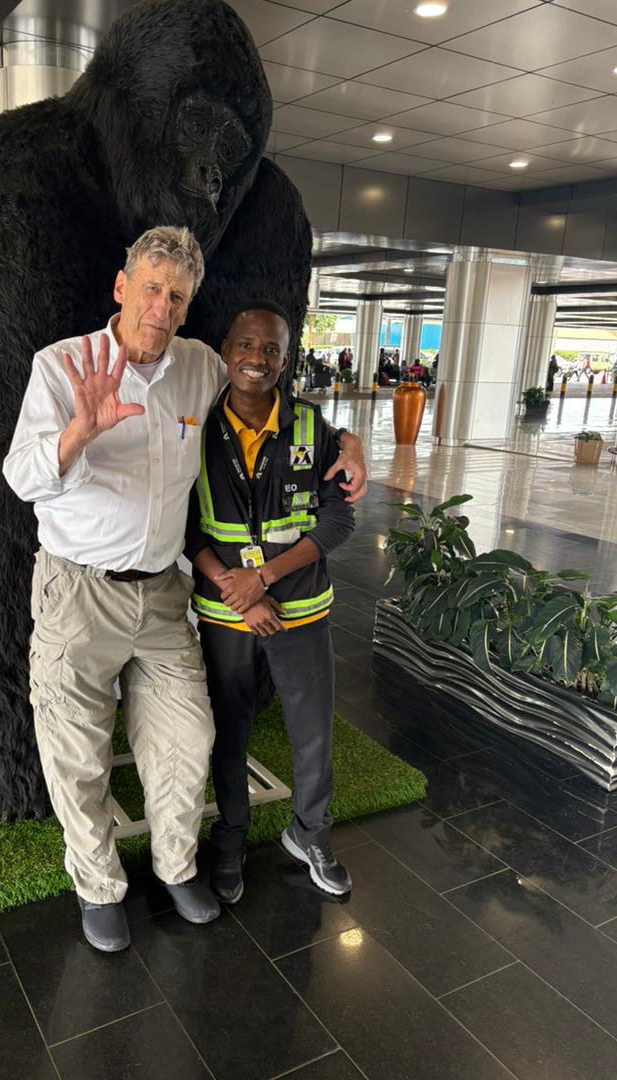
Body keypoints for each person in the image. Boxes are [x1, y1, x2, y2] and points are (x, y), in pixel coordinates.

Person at [3, 226, 368, 954]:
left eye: (176, 296)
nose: (161, 307)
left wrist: (350, 442)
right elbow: (20, 477)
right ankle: (100, 887)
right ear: (121, 286)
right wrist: (80, 432)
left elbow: (272, 398)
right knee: (75, 751)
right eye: (151, 289)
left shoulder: (200, 366)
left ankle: (175, 867)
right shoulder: (62, 367)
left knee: (187, 737)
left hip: (165, 595)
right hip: (79, 590)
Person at [185, 302, 354, 903]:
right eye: (247, 346)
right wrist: (236, 589)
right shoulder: (196, 430)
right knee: (228, 731)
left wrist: (266, 578)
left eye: (272, 349)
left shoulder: (315, 429)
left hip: (302, 611)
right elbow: (185, 527)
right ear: (226, 349)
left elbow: (339, 521)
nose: (257, 359)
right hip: (227, 612)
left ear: (287, 358)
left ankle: (310, 836)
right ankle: (230, 837)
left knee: (312, 733)